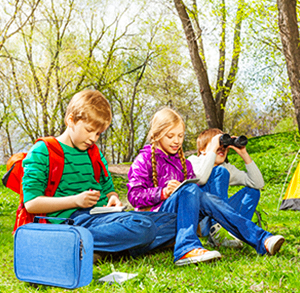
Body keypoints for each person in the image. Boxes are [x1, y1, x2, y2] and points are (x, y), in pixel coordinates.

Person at [22, 89, 177, 261]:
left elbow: (108, 189)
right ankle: (72, 244)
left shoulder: (94, 153)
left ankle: (102, 250)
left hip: (102, 216)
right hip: (72, 221)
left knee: (175, 221)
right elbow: (31, 204)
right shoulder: (43, 151)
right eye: (89, 130)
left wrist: (113, 198)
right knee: (145, 227)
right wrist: (75, 201)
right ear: (70, 120)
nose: (93, 138)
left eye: (98, 133)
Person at [127, 107, 285, 266]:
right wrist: (163, 192)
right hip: (157, 218)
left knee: (200, 194)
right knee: (191, 189)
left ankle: (262, 240)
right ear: (157, 135)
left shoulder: (184, 163)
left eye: (180, 136)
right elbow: (134, 196)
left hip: (183, 217)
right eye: (170, 136)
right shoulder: (144, 159)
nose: (177, 141)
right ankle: (186, 248)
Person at [188, 128, 264, 247]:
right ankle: (217, 231)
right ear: (202, 150)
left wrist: (244, 154)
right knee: (219, 172)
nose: (222, 148)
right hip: (199, 221)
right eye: (218, 144)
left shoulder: (226, 168)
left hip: (223, 216)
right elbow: (202, 178)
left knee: (253, 191)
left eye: (224, 146)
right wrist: (213, 150)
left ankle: (235, 233)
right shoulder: (193, 161)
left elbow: (258, 183)